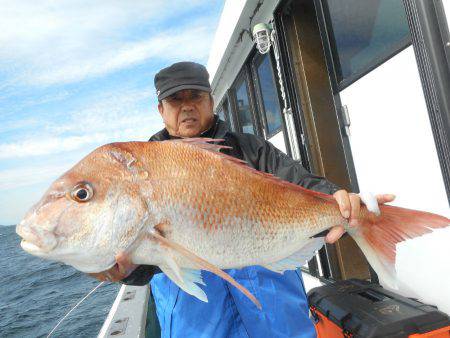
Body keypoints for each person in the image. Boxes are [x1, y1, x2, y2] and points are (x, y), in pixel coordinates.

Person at [90, 62, 394, 337]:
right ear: (161, 110)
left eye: (194, 96)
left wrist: (337, 200)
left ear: (210, 101)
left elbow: (299, 182)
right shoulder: (144, 167)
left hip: (274, 310)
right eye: (175, 100)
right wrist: (126, 272)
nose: (187, 107)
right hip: (198, 319)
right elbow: (150, 257)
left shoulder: (251, 149)